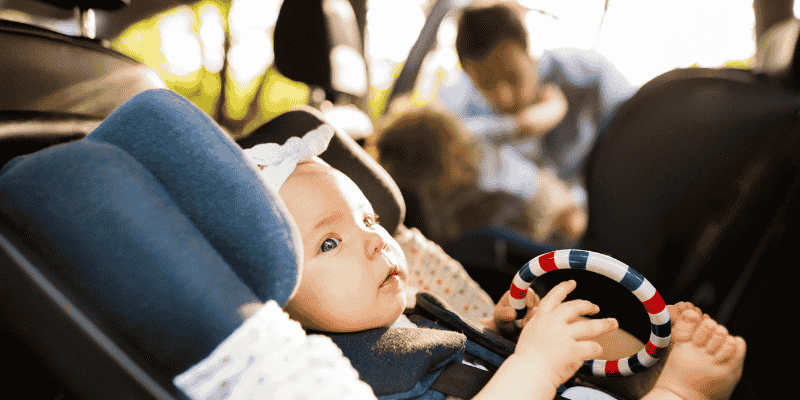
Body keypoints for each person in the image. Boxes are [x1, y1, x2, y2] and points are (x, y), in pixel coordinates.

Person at [244, 127, 746, 400]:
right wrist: (535, 364)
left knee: (584, 323)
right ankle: (682, 391)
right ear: (278, 303)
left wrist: (495, 328)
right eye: (330, 244)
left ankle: (662, 374)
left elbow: (454, 354)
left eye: (370, 220)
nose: (376, 242)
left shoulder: (410, 311)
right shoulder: (334, 383)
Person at [439, 2, 639, 244]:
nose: (504, 96)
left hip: (617, 223)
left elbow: (641, 136)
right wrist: (520, 126)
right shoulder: (463, 106)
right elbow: (448, 144)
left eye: (513, 76)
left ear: (529, 50)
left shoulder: (588, 76)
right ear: (469, 76)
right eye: (486, 84)